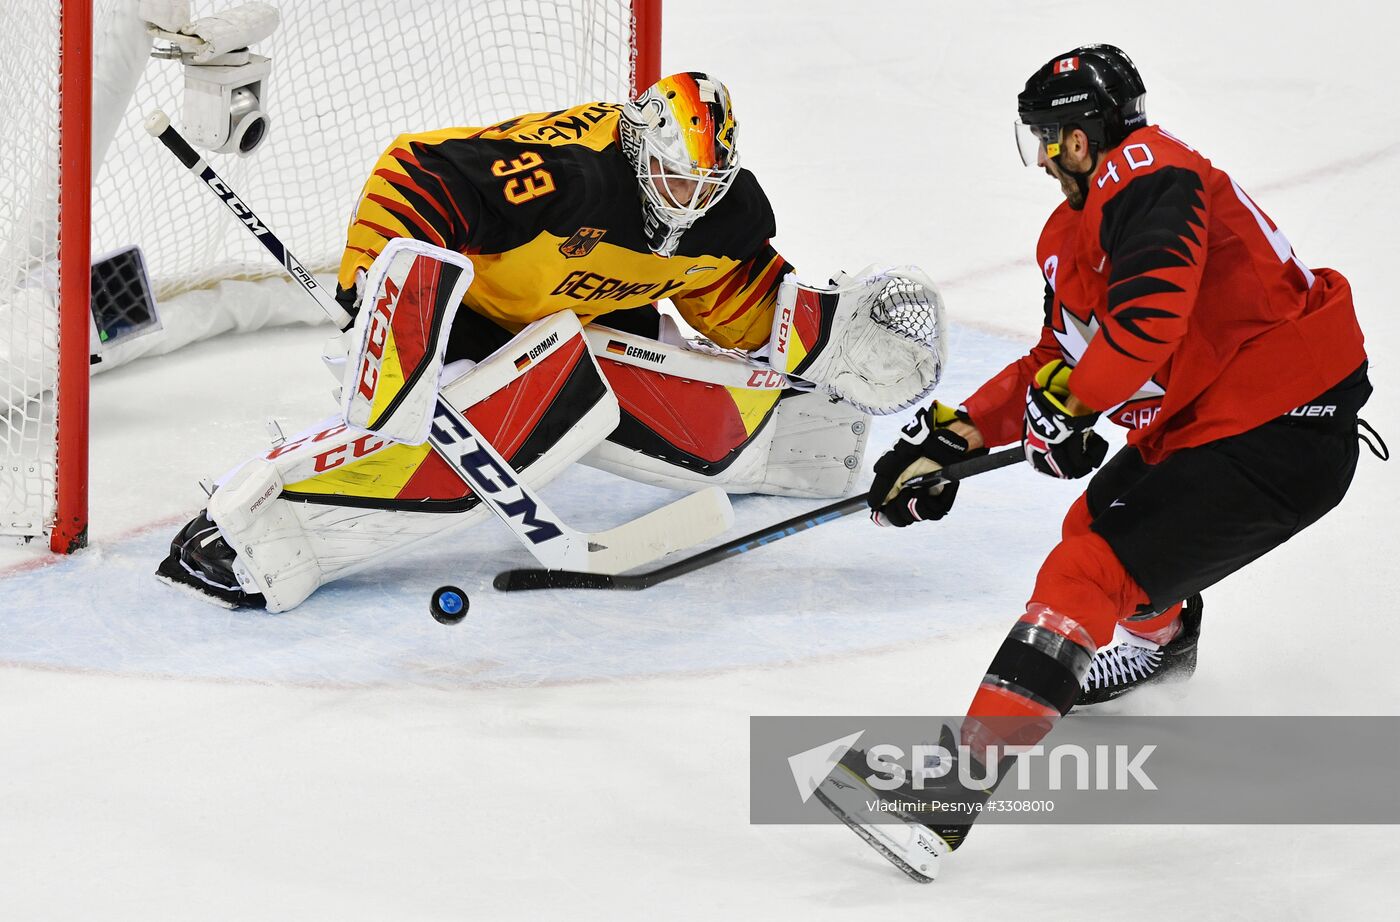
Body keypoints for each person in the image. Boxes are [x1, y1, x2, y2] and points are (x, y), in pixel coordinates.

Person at [823, 44, 1382, 879]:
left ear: (1084, 136)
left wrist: (1075, 407)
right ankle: (1164, 646)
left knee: (1084, 573)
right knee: (1091, 527)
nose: (1045, 160)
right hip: (1229, 426)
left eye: (1051, 140)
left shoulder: (1149, 168)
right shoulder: (1078, 228)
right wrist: (955, 438)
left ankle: (944, 800)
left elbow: (1150, 321)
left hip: (1280, 427)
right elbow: (1060, 356)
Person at [157, 72, 945, 610]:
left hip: (590, 313)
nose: (687, 201)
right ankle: (255, 529)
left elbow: (730, 295)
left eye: (705, 186)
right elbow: (416, 171)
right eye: (675, 178)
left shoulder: (723, 212)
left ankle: (791, 443)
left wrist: (823, 345)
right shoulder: (570, 175)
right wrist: (382, 287)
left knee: (597, 376)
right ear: (640, 146)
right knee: (508, 410)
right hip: (478, 309)